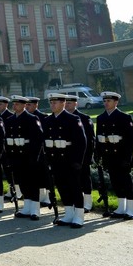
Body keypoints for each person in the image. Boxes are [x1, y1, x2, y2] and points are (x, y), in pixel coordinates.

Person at [43, 93, 87, 228]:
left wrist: (78, 161)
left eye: (55, 103)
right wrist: (47, 160)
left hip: (69, 159)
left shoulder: (73, 119)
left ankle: (79, 216)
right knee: (62, 187)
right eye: (51, 103)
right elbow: (45, 142)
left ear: (63, 103)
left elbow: (81, 142)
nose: (52, 105)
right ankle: (68, 213)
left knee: (75, 187)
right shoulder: (47, 120)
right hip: (55, 159)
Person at [96, 91, 133, 219]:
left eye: (109, 101)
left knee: (126, 182)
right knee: (115, 182)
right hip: (109, 156)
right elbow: (99, 138)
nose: (106, 103)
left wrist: (127, 158)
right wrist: (98, 154)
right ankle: (121, 207)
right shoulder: (101, 118)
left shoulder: (124, 117)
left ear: (116, 102)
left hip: (122, 155)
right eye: (104, 101)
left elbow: (131, 140)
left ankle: (130, 209)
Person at [5, 95, 45, 220]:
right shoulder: (10, 120)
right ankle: (27, 207)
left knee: (32, 183)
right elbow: (7, 140)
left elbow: (38, 139)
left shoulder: (31, 118)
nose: (14, 106)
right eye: (14, 104)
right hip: (16, 155)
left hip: (28, 156)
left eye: (17, 104)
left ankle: (35, 209)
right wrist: (9, 156)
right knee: (22, 182)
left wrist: (34, 157)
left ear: (24, 105)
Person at [65, 95, 95, 211]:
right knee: (72, 180)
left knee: (84, 179)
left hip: (83, 155)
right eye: (66, 103)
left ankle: (87, 202)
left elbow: (90, 139)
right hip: (69, 155)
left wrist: (88, 156)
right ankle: (76, 202)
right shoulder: (64, 118)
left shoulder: (84, 118)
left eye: (69, 103)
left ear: (75, 104)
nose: (67, 105)